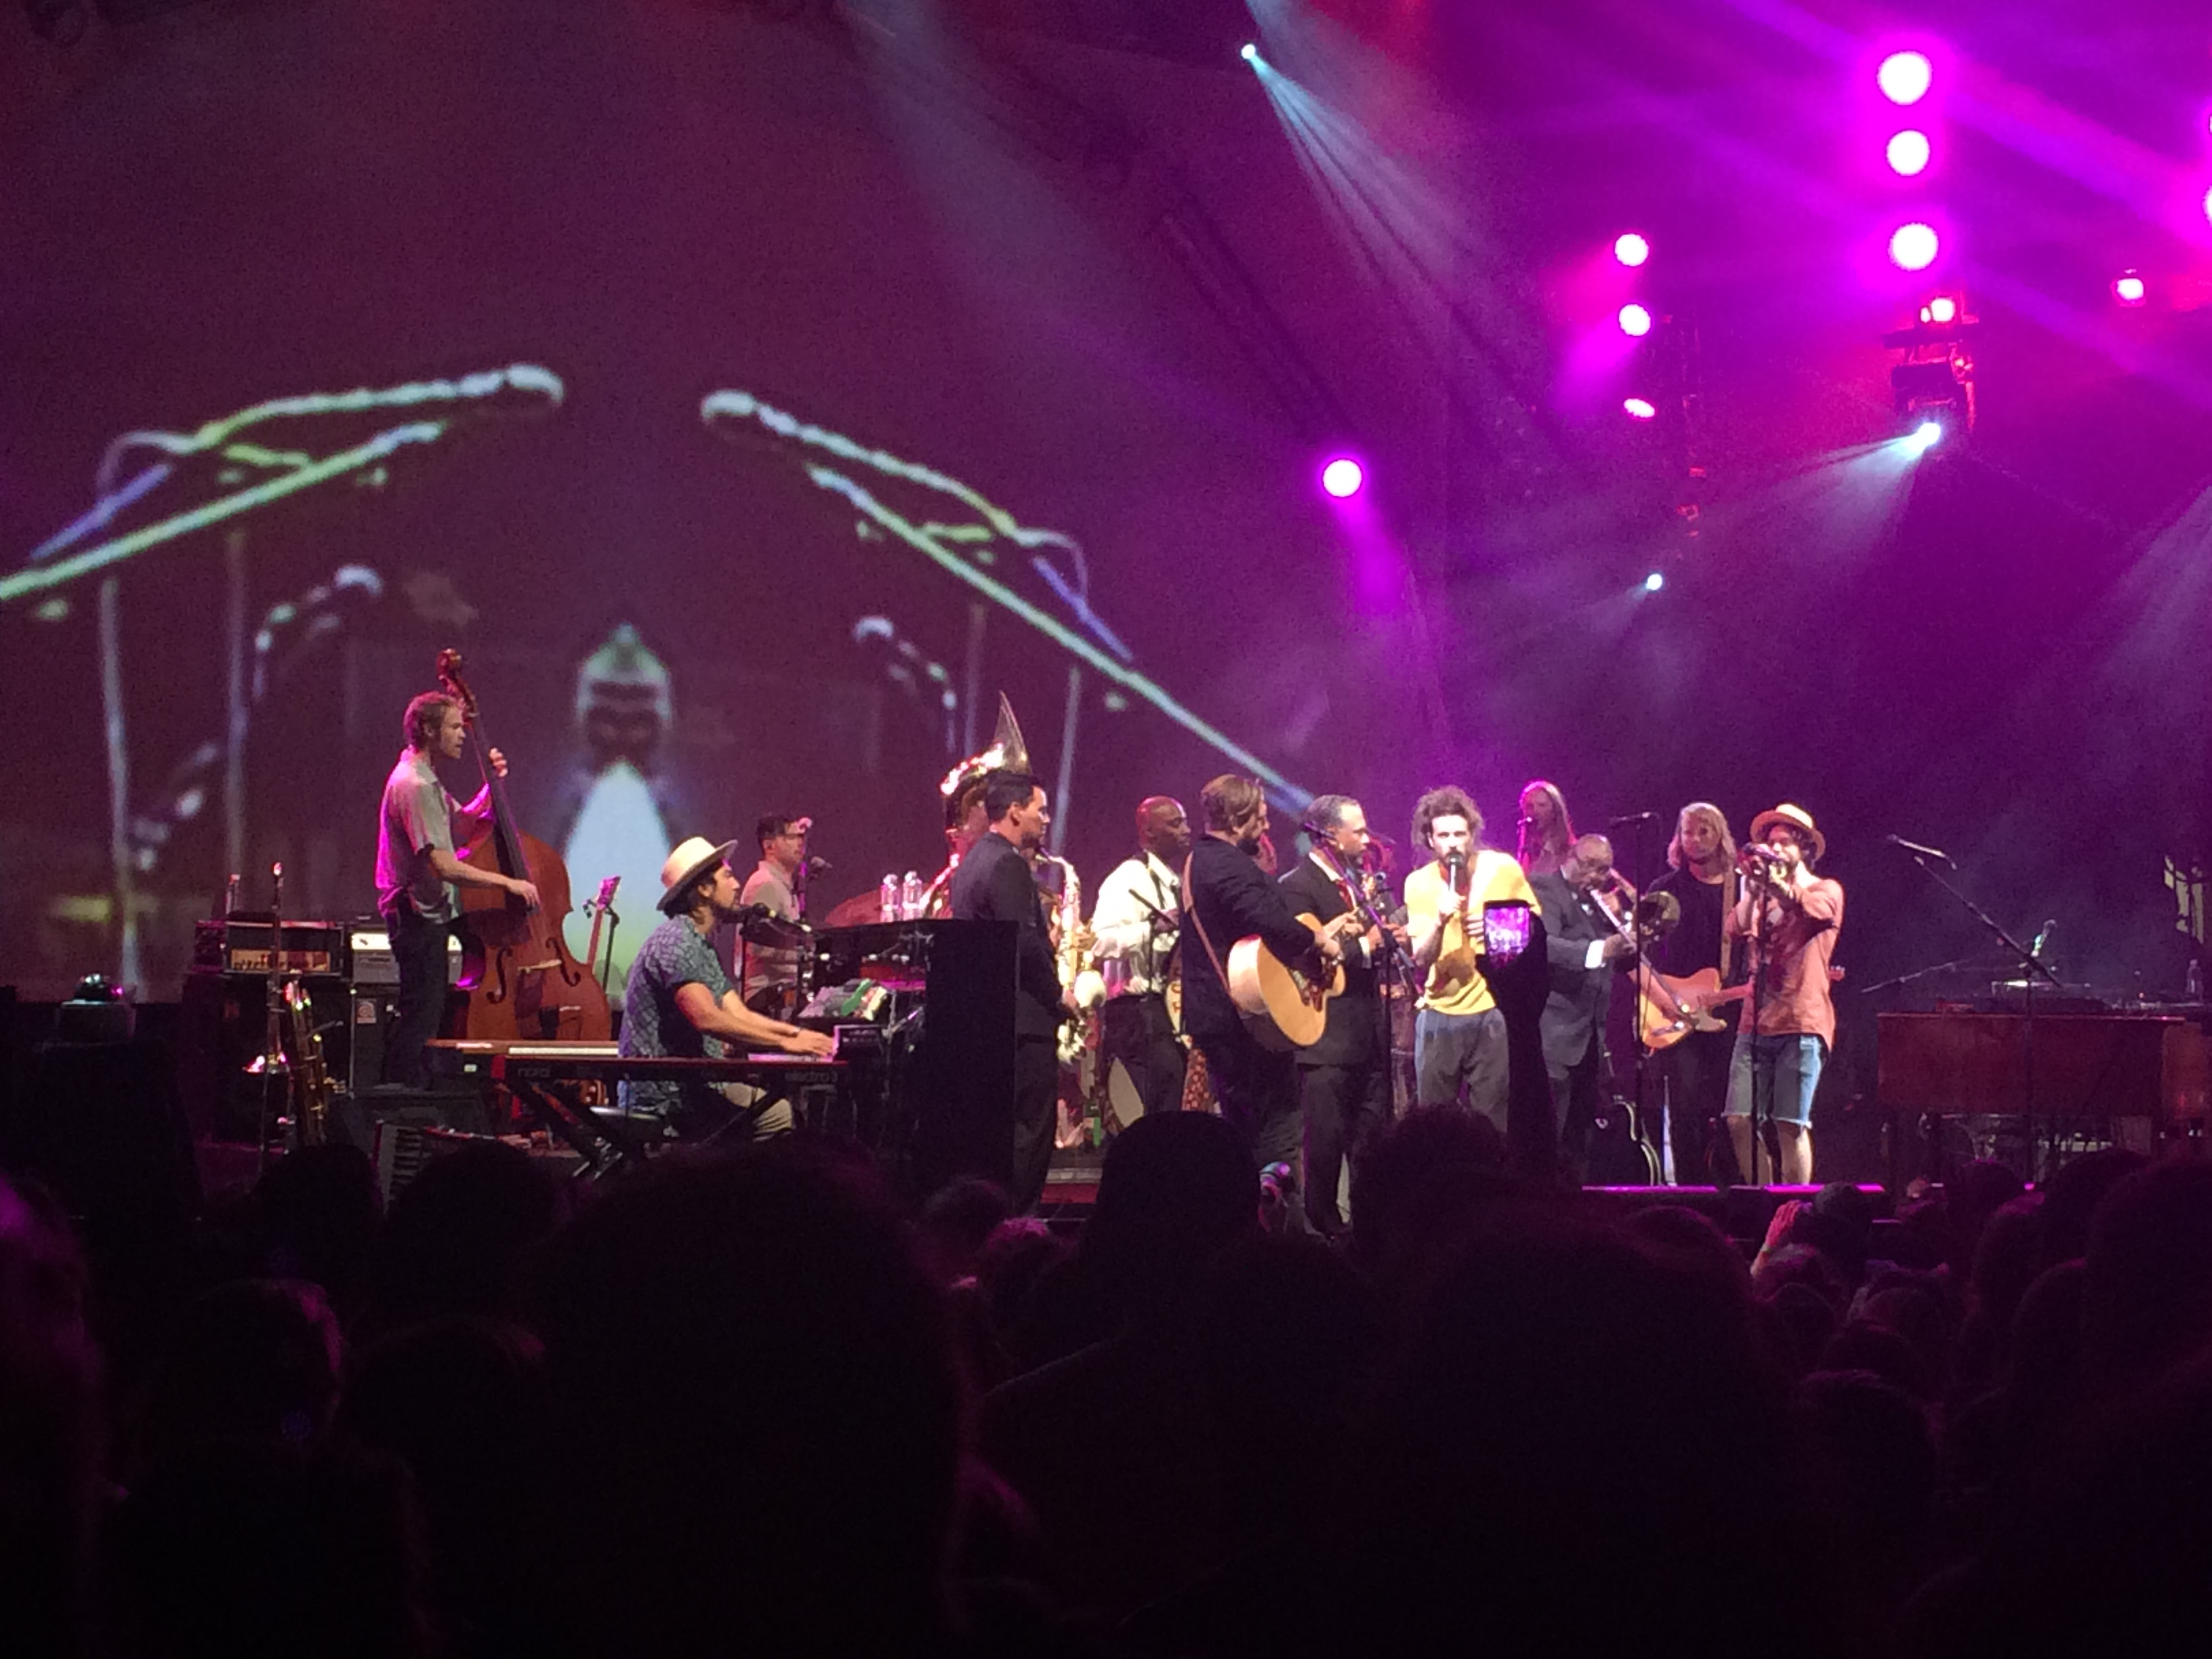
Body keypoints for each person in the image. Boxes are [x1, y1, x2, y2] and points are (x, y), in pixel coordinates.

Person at [1179, 775, 1343, 1176]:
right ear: (1237, 820)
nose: (1267, 826)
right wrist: (1319, 941)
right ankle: (1279, 1208)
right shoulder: (1226, 864)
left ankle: (1251, 1205)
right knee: (1279, 1132)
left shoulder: (1203, 860)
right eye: (1260, 817)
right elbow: (1269, 920)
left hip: (1227, 1019)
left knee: (1246, 1134)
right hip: (1243, 1022)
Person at [375, 691, 540, 1089]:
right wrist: (508, 882)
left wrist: (491, 788)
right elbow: (444, 866)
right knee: (421, 1016)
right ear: (429, 731)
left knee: (429, 1011)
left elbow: (463, 824)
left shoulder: (426, 779)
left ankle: (421, 1092)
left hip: (430, 911)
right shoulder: (414, 785)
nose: (463, 734)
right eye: (453, 727)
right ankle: (400, 1100)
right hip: (416, 914)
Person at [619, 836, 834, 1134]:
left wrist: (798, 1035)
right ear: (704, 889)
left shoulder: (700, 946)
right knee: (778, 1114)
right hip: (667, 1095)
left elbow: (739, 1014)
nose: (737, 885)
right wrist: (787, 1044)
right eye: (728, 876)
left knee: (776, 1108)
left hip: (692, 1085)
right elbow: (706, 1017)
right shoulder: (676, 941)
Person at [1280, 794, 1402, 1235]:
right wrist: (1368, 944)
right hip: (1326, 1039)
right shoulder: (1297, 886)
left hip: (1368, 1034)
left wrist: (1391, 936)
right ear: (1330, 836)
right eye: (1359, 831)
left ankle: (1370, 1228)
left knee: (1372, 1140)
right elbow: (1309, 958)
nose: (1367, 839)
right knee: (1326, 1144)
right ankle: (1322, 1229)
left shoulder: (1357, 884)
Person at [949, 770, 1068, 1212]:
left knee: (996, 1136)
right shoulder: (1008, 863)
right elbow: (1024, 941)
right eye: (1041, 810)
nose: (1046, 819)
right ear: (1016, 812)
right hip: (1024, 1021)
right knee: (1029, 1133)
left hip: (990, 1019)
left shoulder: (972, 862)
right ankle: (1019, 1226)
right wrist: (1058, 995)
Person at [1403, 786, 1541, 1143]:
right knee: (1433, 1128)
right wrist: (1439, 921)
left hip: (1491, 1008)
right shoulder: (1418, 883)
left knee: (1492, 1125)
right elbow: (1421, 958)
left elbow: (1535, 926)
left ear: (1472, 834)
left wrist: (1500, 925)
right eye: (1444, 836)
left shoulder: (1502, 868)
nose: (1453, 844)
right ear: (1430, 840)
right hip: (1439, 1013)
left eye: (1460, 834)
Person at [1724, 803, 1843, 1185]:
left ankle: (1794, 1206)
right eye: (1770, 842)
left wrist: (1776, 886)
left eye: (1785, 842)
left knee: (1790, 1125)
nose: (1775, 849)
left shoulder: (1825, 889)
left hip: (1801, 1022)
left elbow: (1811, 909)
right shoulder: (1764, 898)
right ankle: (1763, 1200)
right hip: (1754, 1023)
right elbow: (1734, 928)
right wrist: (1751, 890)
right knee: (1738, 1120)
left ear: (1804, 848)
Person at [1528, 834, 1638, 1186]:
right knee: (1551, 1132)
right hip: (1555, 1032)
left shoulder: (1598, 901)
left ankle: (1577, 1199)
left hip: (1591, 1035)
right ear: (1571, 858)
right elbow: (1543, 946)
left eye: (1604, 869)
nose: (1597, 876)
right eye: (1590, 866)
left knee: (1580, 1136)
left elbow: (1621, 961)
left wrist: (1631, 930)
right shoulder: (1546, 887)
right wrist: (1602, 950)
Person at [1643, 802, 1740, 1183]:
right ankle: (1689, 1189)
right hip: (1675, 1012)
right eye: (1687, 832)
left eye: (1704, 831)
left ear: (1720, 836)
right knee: (1683, 1107)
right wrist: (1665, 1001)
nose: (1695, 839)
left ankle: (1730, 1186)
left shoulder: (1740, 889)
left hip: (1728, 1012)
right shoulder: (1664, 889)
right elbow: (1641, 956)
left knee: (1730, 1109)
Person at [1088, 796, 1193, 1125]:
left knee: (1175, 1098)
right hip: (1137, 1011)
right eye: (1175, 823)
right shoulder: (1128, 878)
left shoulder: (1174, 880)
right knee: (1163, 1102)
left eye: (1185, 821)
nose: (1186, 830)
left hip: (1167, 1008)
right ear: (1149, 832)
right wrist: (1152, 928)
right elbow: (1100, 942)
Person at [738, 813, 810, 1008]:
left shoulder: (784, 886)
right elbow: (756, 948)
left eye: (801, 837)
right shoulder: (765, 883)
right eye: (792, 837)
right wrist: (804, 956)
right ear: (769, 846)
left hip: (780, 991)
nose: (800, 843)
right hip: (765, 995)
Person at [1515, 779, 1577, 878]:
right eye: (1529, 806)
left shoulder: (1570, 851)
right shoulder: (1527, 851)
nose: (1535, 811)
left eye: (1542, 805)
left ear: (1555, 811)